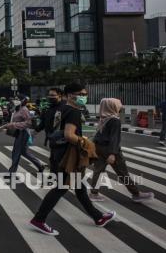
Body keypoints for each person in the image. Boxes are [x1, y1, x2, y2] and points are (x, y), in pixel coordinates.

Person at [30, 83, 116, 236]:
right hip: (68, 156)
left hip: (58, 153)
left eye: (84, 94)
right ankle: (39, 219)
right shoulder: (74, 111)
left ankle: (98, 217)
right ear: (70, 95)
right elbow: (69, 135)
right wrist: (85, 142)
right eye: (81, 94)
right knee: (61, 188)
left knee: (79, 188)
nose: (84, 96)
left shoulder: (61, 109)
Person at [89, 98, 154, 203]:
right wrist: (113, 153)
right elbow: (114, 138)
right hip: (110, 149)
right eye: (118, 105)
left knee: (98, 170)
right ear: (112, 106)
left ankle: (93, 193)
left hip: (99, 148)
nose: (120, 107)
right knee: (123, 172)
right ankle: (136, 194)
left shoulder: (103, 118)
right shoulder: (114, 120)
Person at [0, 95, 45, 174]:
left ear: (22, 100)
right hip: (19, 133)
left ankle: (12, 172)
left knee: (16, 152)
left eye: (17, 99)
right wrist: (6, 126)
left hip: (23, 133)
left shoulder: (24, 109)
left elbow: (28, 123)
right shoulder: (17, 109)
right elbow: (13, 121)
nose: (15, 100)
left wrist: (13, 125)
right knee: (24, 152)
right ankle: (40, 165)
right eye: (14, 99)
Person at [34, 88, 66, 172]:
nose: (50, 97)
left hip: (62, 140)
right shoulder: (48, 107)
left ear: (60, 96)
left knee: (58, 161)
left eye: (53, 95)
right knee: (53, 160)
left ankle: (59, 179)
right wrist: (35, 131)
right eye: (49, 95)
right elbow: (44, 122)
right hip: (52, 138)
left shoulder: (64, 107)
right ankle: (55, 177)